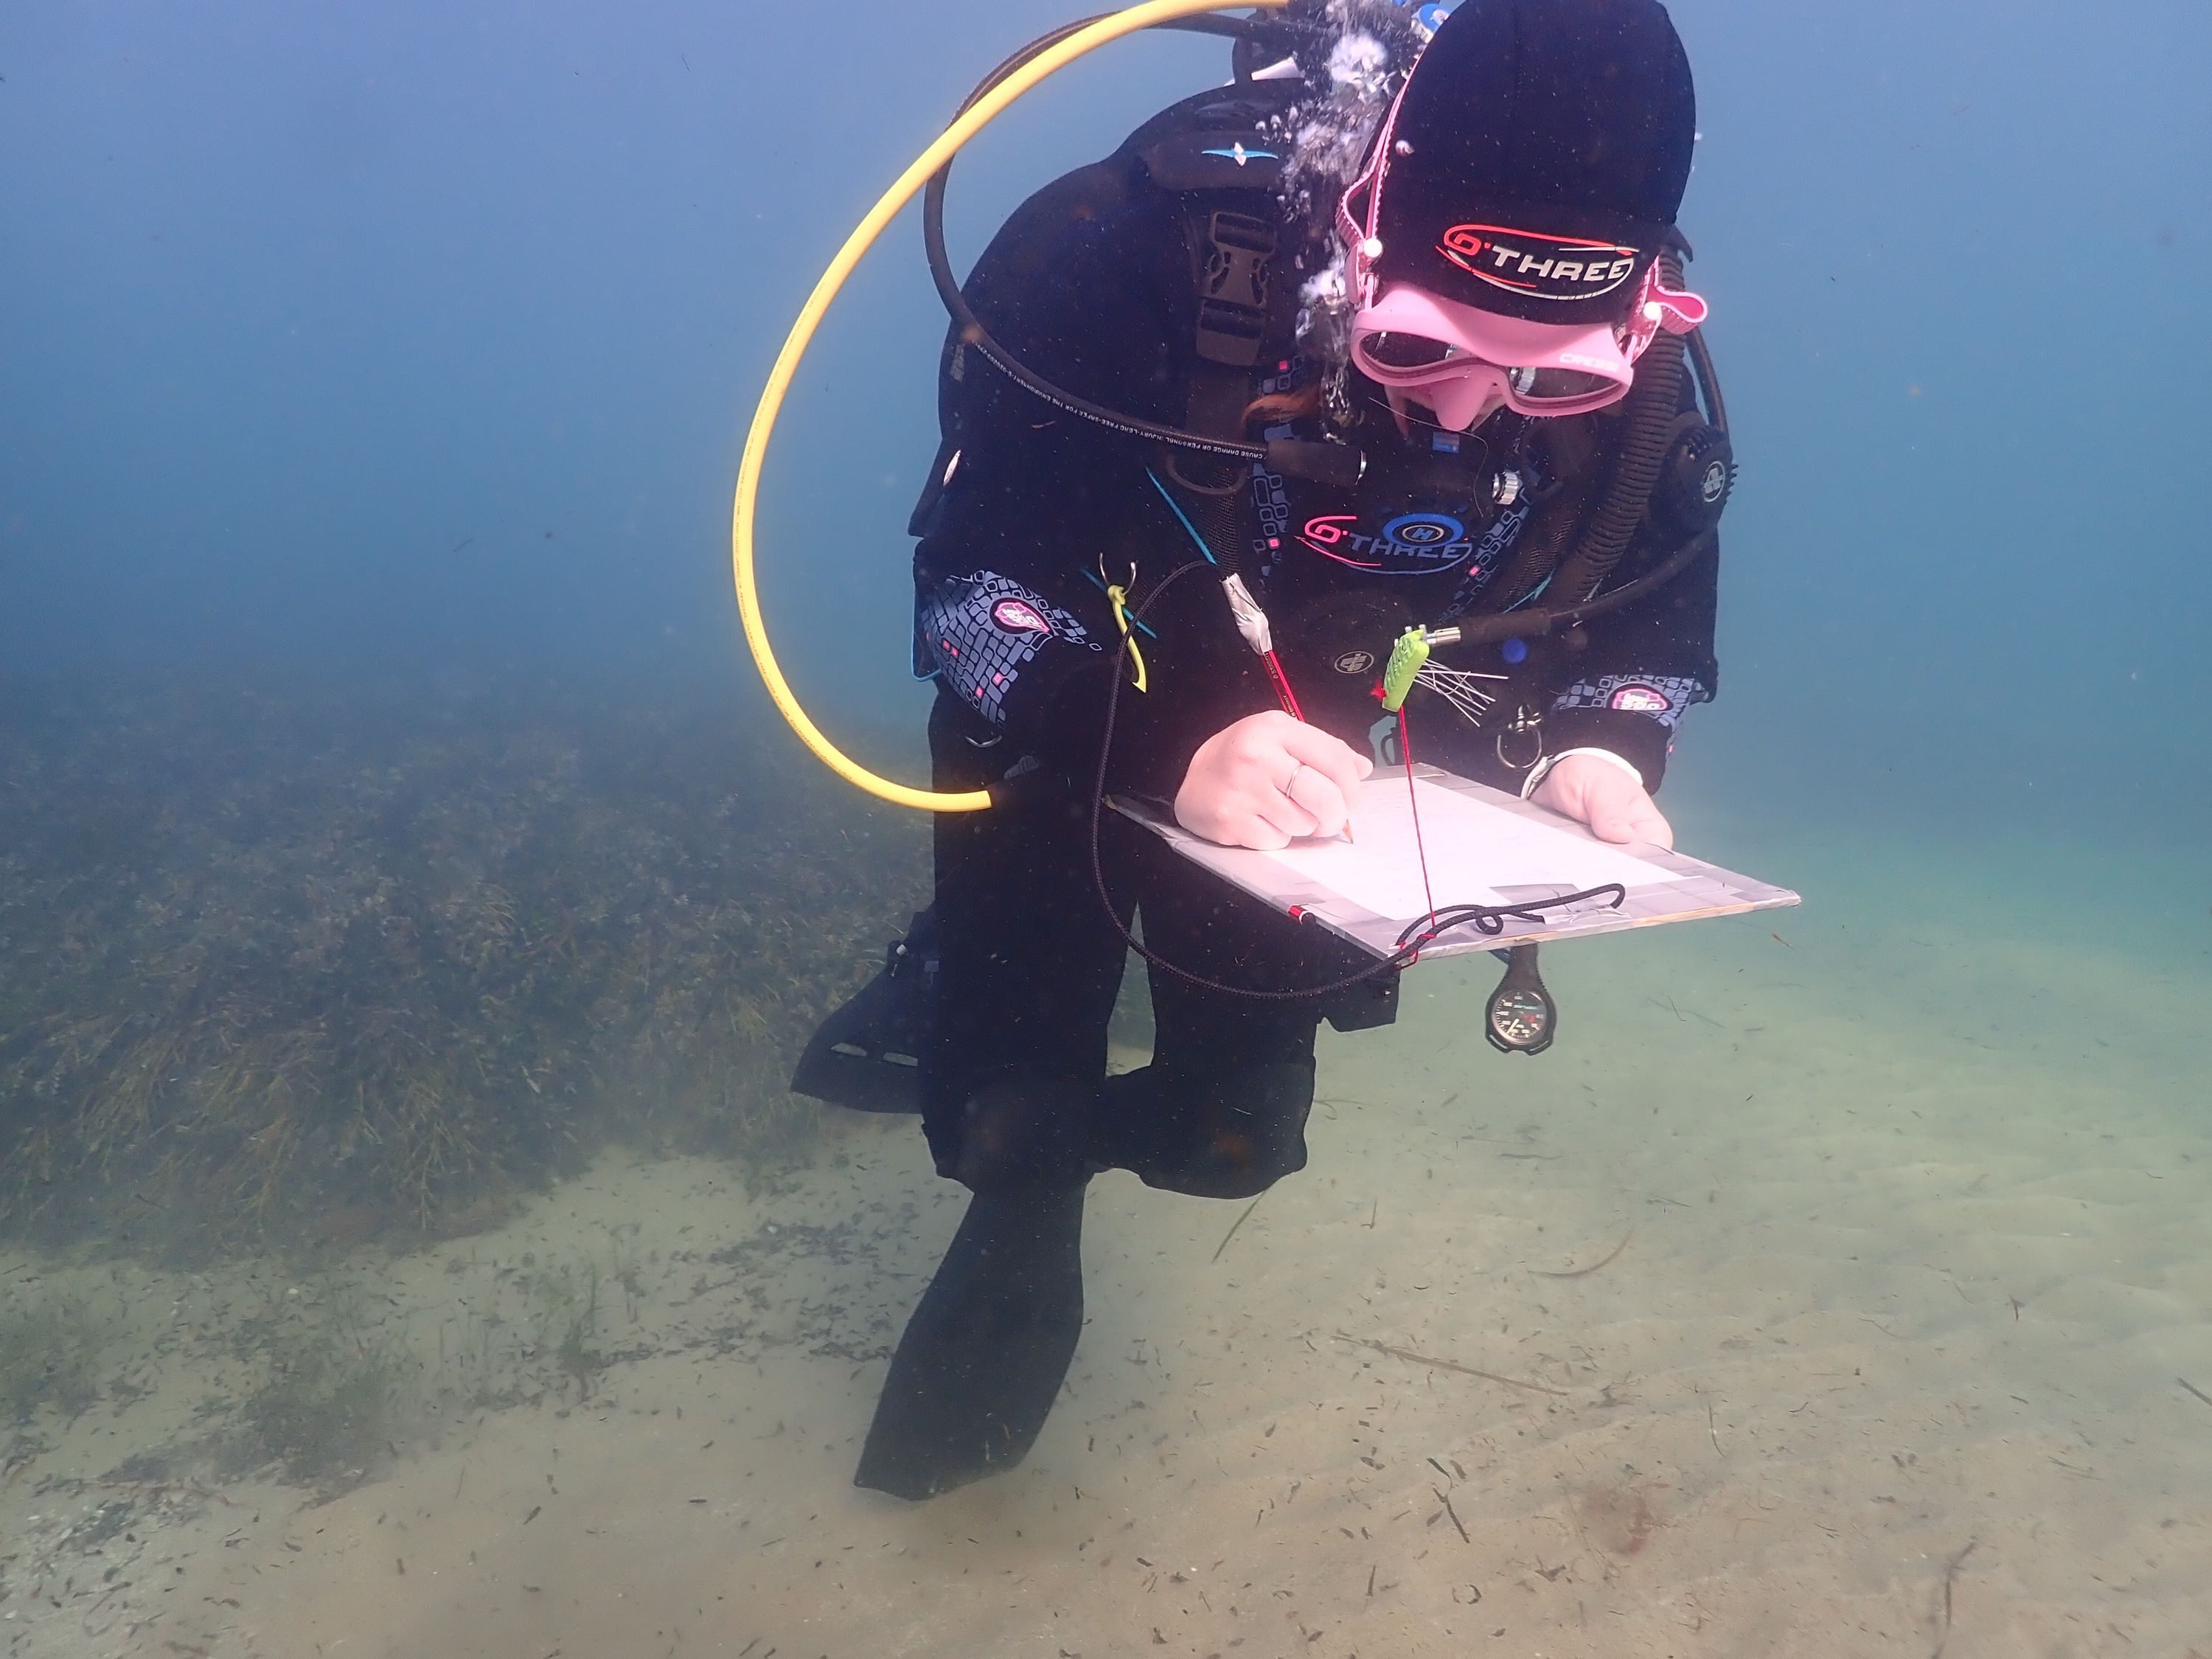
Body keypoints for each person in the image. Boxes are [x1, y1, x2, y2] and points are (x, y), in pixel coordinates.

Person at [824, 0, 1730, 1500]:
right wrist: (1156, 742)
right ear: (1367, 224)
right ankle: (1002, 1124)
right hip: (1076, 715)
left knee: (1234, 1142)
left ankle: (1081, 1106)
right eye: (1419, 346)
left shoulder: (1640, 388)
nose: (1466, 411)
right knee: (1006, 1125)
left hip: (1321, 770)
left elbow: (1646, 633)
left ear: (1634, 323)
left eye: (1548, 380)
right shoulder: (1121, 251)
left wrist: (1602, 748)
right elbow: (970, 603)